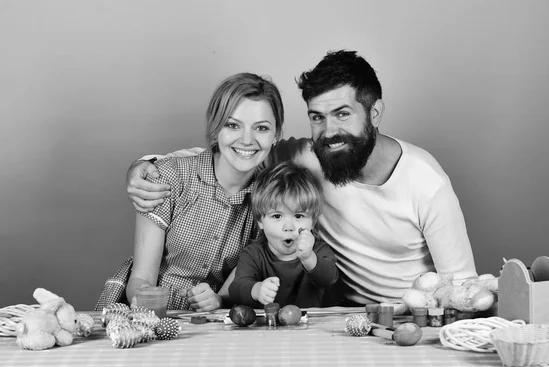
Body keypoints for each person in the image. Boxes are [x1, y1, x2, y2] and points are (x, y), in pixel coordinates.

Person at [126, 50, 478, 306]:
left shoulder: (426, 182)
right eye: (317, 117)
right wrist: (146, 165)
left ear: (375, 112)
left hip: (409, 314)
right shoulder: (308, 157)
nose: (330, 131)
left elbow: (462, 286)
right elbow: (234, 154)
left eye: (342, 113)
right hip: (337, 316)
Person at [95, 72, 285, 312]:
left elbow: (244, 277)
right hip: (146, 308)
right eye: (233, 125)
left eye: (261, 128)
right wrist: (151, 307)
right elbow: (141, 277)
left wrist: (218, 300)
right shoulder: (169, 177)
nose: (247, 140)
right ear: (216, 128)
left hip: (215, 318)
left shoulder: (271, 201)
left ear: (276, 134)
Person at [228, 161, 338, 308]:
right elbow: (235, 289)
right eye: (277, 216)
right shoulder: (253, 254)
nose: (288, 227)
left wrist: (308, 258)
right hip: (265, 328)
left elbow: (329, 278)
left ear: (313, 221)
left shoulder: (318, 250)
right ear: (260, 221)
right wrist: (257, 290)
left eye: (298, 216)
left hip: (310, 328)